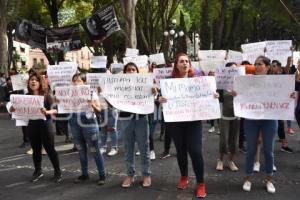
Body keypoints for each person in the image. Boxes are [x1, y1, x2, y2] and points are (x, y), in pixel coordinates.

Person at [235, 56, 296, 193]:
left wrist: (291, 95)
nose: (257, 66)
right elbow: (240, 94)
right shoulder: (247, 81)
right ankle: (248, 178)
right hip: (251, 119)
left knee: (269, 151)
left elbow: (287, 94)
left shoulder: (278, 82)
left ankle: (269, 180)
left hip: (270, 119)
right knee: (251, 150)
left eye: (260, 64)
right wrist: (236, 94)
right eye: (255, 64)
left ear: (267, 67)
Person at [159, 53, 215, 198]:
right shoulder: (168, 82)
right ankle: (184, 176)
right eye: (181, 61)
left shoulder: (197, 81)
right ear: (176, 65)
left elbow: (209, 95)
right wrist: (160, 99)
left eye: (187, 61)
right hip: (176, 122)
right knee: (181, 151)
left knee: (196, 151)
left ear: (190, 65)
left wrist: (214, 96)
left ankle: (201, 183)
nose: (184, 63)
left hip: (193, 121)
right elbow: (160, 100)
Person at [9, 72, 61, 183]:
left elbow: (56, 109)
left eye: (35, 80)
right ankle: (38, 171)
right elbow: (18, 110)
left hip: (46, 125)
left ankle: (57, 172)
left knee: (50, 149)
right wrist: (12, 109)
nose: (33, 81)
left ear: (39, 82)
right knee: (36, 150)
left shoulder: (47, 95)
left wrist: (47, 111)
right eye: (31, 80)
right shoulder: (26, 96)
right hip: (32, 125)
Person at [68, 73, 106, 185]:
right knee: (81, 150)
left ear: (84, 82)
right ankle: (84, 174)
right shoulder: (69, 94)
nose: (75, 83)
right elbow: (62, 107)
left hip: (89, 125)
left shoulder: (91, 93)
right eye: (74, 81)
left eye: (78, 80)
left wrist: (92, 105)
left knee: (95, 150)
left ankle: (102, 175)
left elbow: (99, 111)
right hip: (74, 124)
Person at [119, 62, 152, 188]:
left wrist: (153, 91)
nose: (131, 71)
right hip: (125, 119)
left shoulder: (144, 85)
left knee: (144, 148)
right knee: (128, 148)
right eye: (129, 69)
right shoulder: (119, 86)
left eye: (134, 69)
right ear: (125, 72)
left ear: (137, 72)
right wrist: (104, 93)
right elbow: (113, 102)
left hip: (141, 119)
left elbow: (151, 97)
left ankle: (146, 174)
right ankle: (130, 175)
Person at [216, 62, 240, 172]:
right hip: (224, 114)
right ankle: (220, 160)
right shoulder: (221, 84)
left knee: (234, 140)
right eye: (231, 70)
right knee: (223, 140)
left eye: (235, 69)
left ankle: (231, 161)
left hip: (237, 115)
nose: (233, 72)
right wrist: (216, 95)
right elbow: (217, 97)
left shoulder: (241, 83)